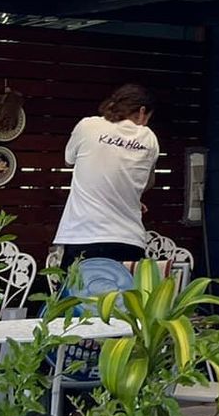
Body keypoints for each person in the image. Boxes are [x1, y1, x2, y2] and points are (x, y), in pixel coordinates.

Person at [53, 83, 160, 296]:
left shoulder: (87, 126)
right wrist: (127, 197)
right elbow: (146, 182)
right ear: (141, 112)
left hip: (82, 238)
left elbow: (69, 160)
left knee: (73, 313)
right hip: (128, 241)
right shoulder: (149, 138)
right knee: (123, 316)